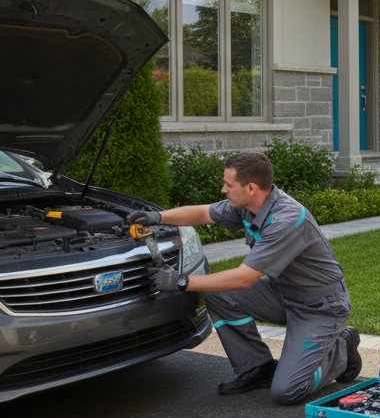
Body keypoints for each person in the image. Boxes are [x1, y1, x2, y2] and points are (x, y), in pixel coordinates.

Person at [128, 151, 361, 404]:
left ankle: (342, 349)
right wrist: (158, 217)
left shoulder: (285, 221)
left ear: (251, 188)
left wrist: (180, 282)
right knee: (219, 294)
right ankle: (257, 367)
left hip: (320, 307)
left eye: (228, 185)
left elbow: (243, 279)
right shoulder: (250, 206)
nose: (223, 190)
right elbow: (203, 213)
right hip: (283, 294)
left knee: (288, 391)